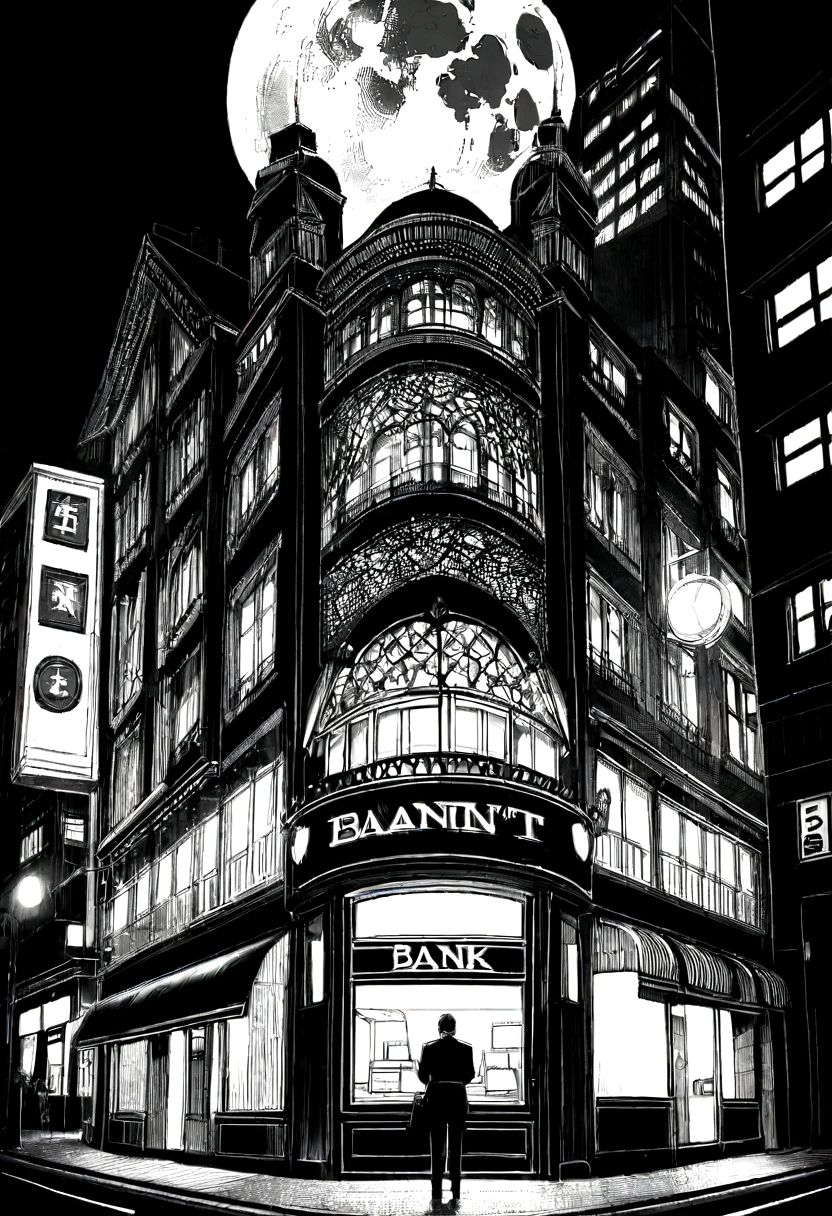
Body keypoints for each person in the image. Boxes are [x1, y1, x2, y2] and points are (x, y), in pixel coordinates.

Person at [418, 1014, 475, 1210]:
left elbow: (422, 1075)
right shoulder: (466, 1048)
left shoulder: (429, 1048)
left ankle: (436, 1185)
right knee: (456, 1145)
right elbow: (470, 1075)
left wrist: (437, 1083)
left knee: (437, 1143)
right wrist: (456, 1084)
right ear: (455, 1029)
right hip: (458, 1098)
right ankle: (456, 1185)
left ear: (439, 1028)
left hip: (437, 1099)